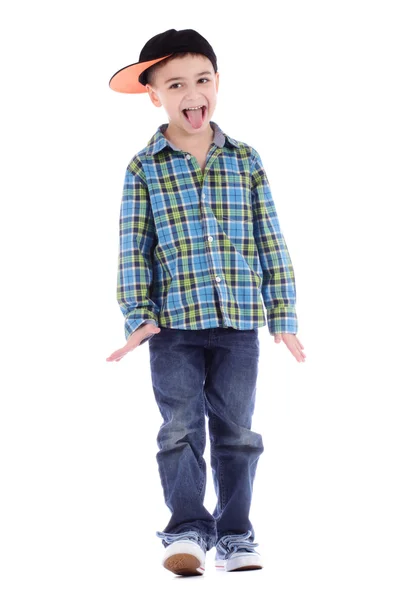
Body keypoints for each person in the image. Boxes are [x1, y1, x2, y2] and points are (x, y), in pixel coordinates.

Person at [106, 28, 306, 576]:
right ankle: (188, 531)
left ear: (217, 83)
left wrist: (282, 313)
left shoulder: (246, 159)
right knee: (180, 428)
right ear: (155, 94)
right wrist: (138, 316)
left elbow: (270, 239)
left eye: (202, 80)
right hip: (172, 327)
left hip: (239, 322)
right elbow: (133, 248)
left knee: (237, 431)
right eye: (176, 85)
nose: (192, 94)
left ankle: (237, 533)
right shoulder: (144, 167)